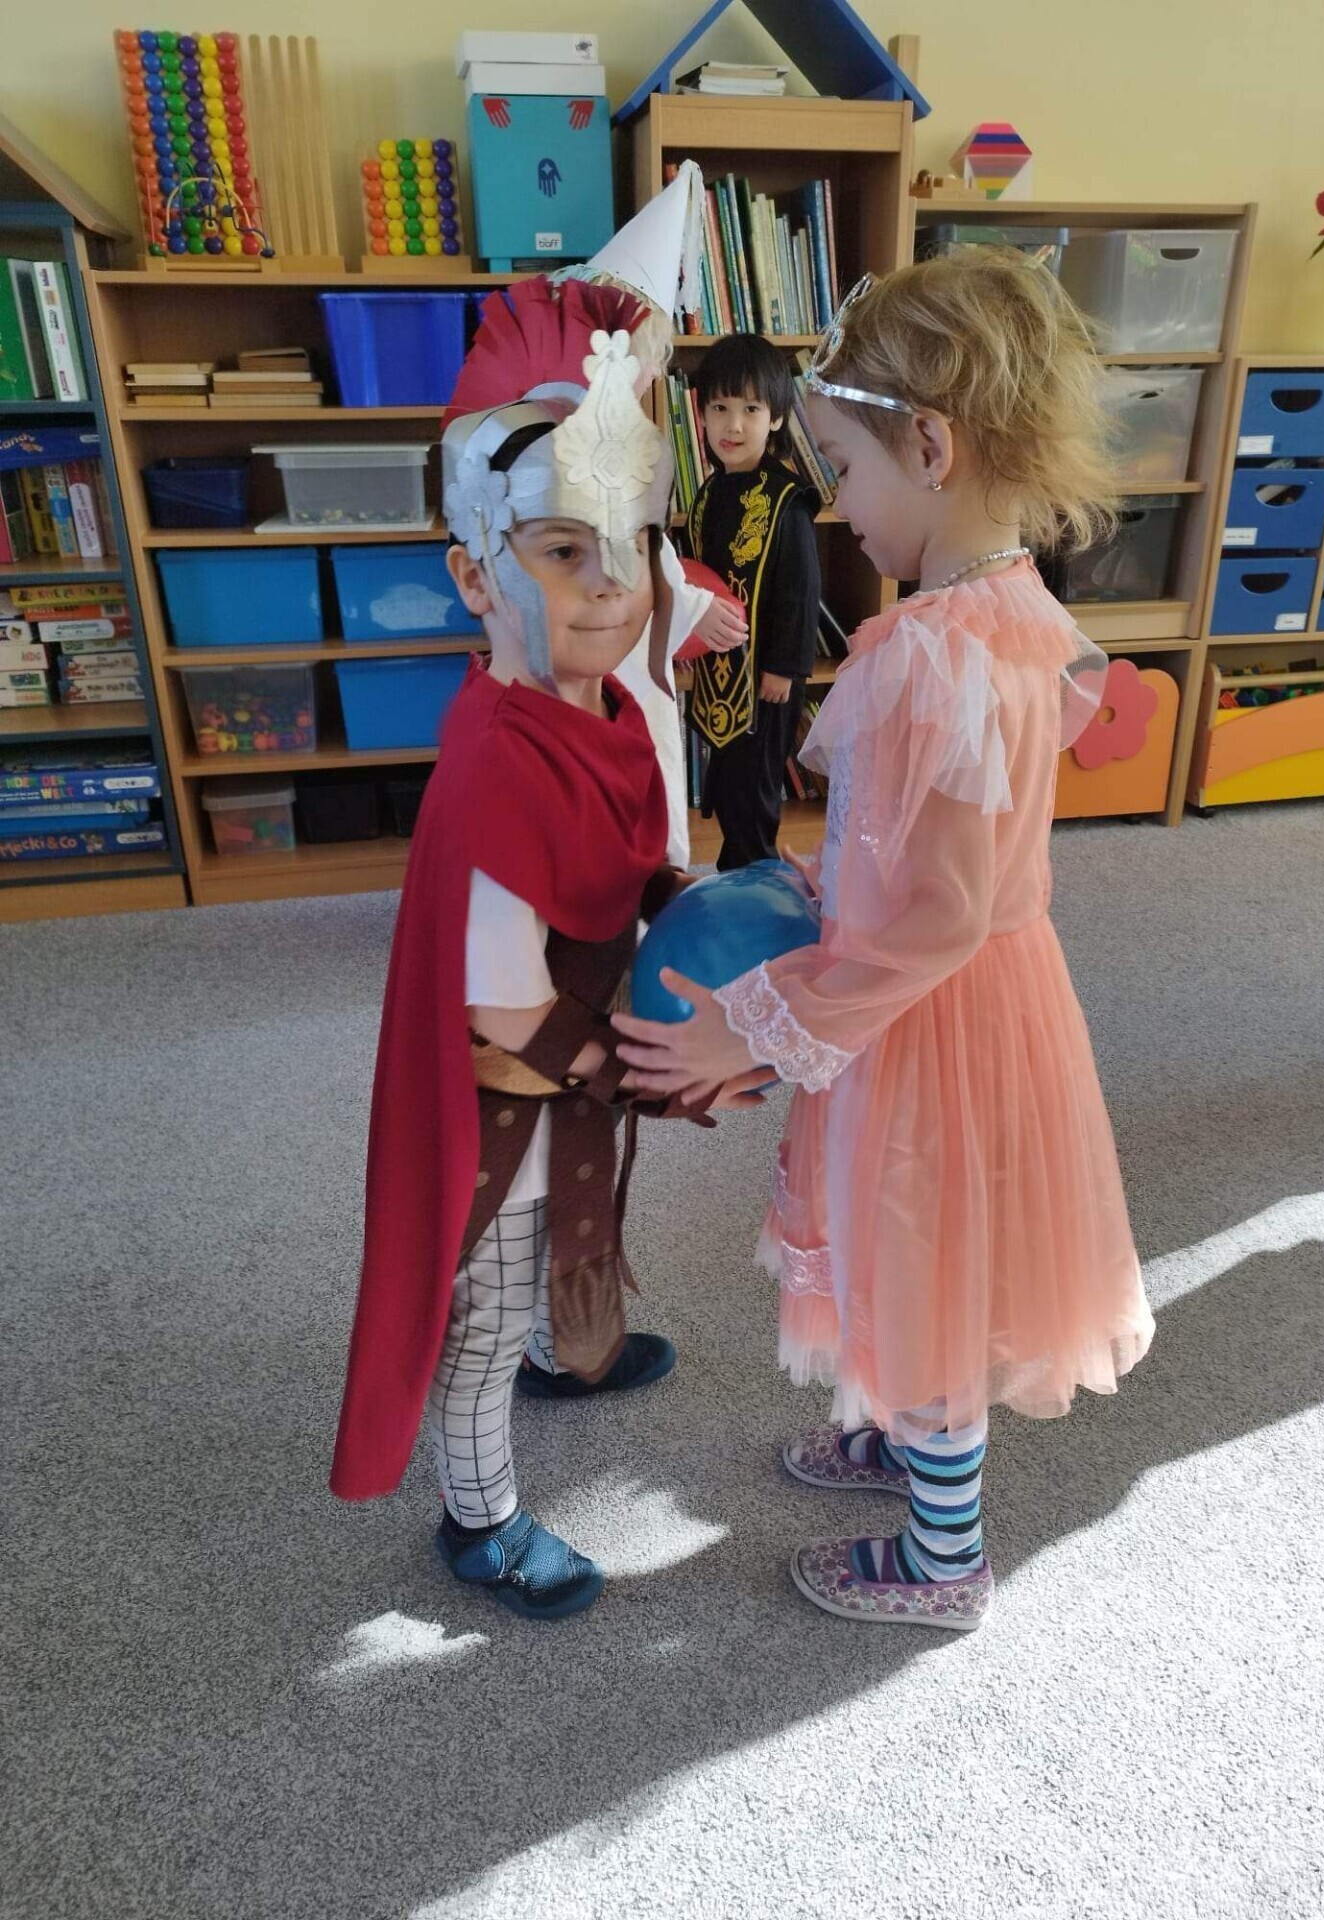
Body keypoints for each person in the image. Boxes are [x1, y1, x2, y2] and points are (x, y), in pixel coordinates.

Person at [614, 252, 1155, 1631]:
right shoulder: (1018, 613)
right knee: (915, 1234)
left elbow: (942, 910)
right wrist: (824, 878)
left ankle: (941, 1555)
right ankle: (903, 1433)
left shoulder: (928, 649)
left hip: (927, 1011)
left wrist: (757, 1019)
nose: (838, 506)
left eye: (845, 470)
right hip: (979, 995)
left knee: (916, 1251)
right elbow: (941, 838)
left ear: (931, 446)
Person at [329, 297, 761, 1624]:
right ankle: (481, 1520)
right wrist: (646, 1073)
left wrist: (707, 911)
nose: (612, 582)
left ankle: (564, 1350)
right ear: (477, 574)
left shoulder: (606, 711)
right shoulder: (495, 769)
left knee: (569, 1230)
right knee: (482, 1303)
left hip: (570, 1055)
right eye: (565, 551)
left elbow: (626, 869)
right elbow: (507, 1002)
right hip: (507, 1091)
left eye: (631, 543)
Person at [442, 162, 748, 870]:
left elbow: (644, 552)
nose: (646, 379)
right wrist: (692, 606)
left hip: (615, 666)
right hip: (586, 657)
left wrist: (684, 599)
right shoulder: (554, 456)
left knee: (623, 785)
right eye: (640, 363)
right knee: (585, 794)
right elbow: (625, 557)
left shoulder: (607, 454)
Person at [683, 332, 821, 869]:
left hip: (769, 677)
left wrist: (785, 667)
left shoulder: (787, 500)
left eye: (751, 409)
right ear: (701, 414)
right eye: (719, 408)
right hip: (724, 669)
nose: (733, 425)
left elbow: (799, 590)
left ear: (777, 417)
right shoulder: (708, 494)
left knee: (755, 784)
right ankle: (734, 864)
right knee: (727, 773)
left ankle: (754, 871)